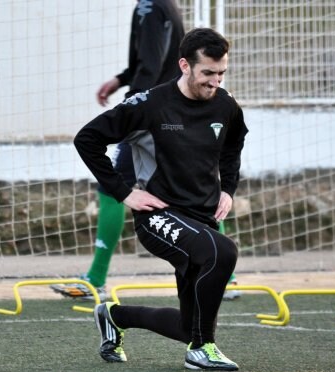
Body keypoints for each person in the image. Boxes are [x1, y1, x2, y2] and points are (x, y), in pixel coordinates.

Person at [74, 28, 248, 371]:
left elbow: (233, 145)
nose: (214, 82)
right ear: (185, 65)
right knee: (223, 251)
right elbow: (88, 139)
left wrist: (228, 188)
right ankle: (203, 350)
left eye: (221, 73)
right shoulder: (149, 104)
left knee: (188, 327)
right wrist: (124, 192)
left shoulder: (226, 103)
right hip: (158, 216)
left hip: (200, 220)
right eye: (207, 73)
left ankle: (114, 315)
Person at [52, 0, 241, 302]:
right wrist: (121, 80)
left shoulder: (152, 7)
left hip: (154, 119)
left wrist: (133, 106)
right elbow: (152, 59)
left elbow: (152, 65)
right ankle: (223, 273)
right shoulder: (161, 6)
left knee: (113, 186)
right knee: (200, 180)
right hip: (163, 111)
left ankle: (96, 279)